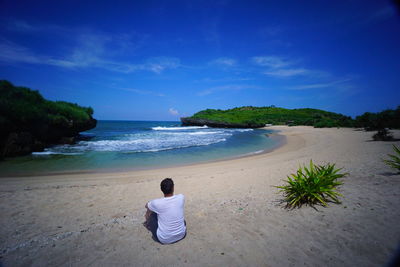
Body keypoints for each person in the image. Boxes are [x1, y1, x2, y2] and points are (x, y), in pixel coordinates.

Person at [144, 178, 186, 244]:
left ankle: (147, 223)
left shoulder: (157, 203)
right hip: (182, 234)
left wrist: (150, 204)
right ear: (173, 188)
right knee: (181, 219)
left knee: (152, 214)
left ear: (161, 190)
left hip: (164, 239)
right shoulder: (181, 197)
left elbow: (146, 206)